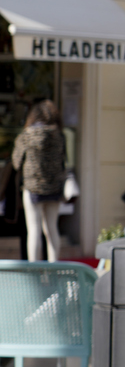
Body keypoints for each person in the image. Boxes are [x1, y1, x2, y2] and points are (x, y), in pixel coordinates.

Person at [10, 100, 66, 262]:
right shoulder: (59, 136)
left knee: (33, 230)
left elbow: (16, 162)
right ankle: (54, 266)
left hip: (32, 187)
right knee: (52, 229)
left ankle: (34, 268)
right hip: (55, 187)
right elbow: (64, 161)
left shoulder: (26, 135)